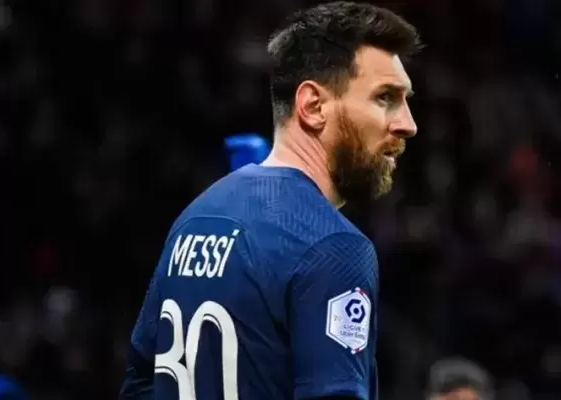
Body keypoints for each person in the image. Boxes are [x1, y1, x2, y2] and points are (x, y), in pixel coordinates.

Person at [119, 1, 420, 399]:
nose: (408, 124)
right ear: (312, 106)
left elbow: (141, 383)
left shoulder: (195, 218)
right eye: (385, 98)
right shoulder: (334, 246)